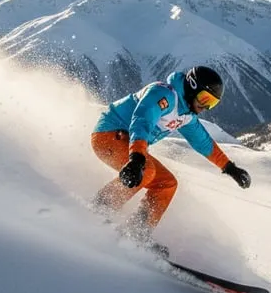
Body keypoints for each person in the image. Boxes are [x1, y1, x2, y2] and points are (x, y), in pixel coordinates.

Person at [90, 65, 251, 248]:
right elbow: (142, 120)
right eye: (204, 98)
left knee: (167, 183)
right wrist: (136, 157)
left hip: (131, 145)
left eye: (212, 103)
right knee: (147, 171)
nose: (205, 106)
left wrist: (229, 167)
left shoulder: (186, 114)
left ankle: (137, 231)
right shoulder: (163, 94)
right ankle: (100, 208)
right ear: (192, 87)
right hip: (109, 135)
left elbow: (202, 142)